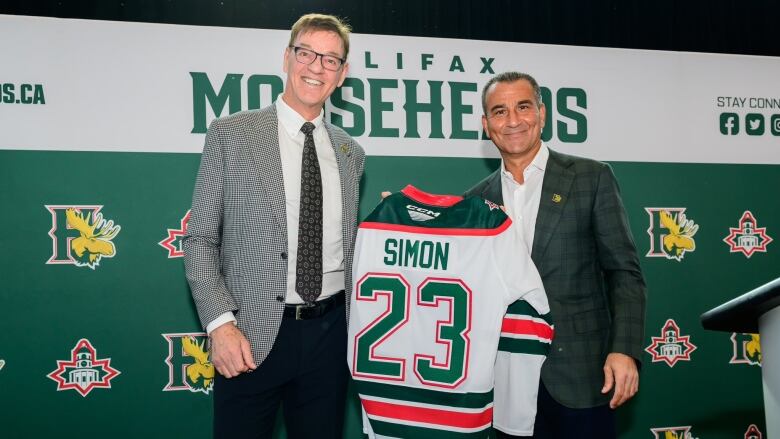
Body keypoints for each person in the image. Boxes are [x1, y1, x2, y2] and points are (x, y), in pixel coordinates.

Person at [182, 13, 364, 439]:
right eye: (306, 53)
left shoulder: (351, 151)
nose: (316, 67)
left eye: (331, 59)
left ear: (343, 74)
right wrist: (220, 325)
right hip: (250, 335)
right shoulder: (231, 134)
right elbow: (201, 239)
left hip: (331, 336)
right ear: (287, 57)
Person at [464, 71, 647, 439]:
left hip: (581, 374)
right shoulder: (473, 201)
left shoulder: (590, 177)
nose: (513, 120)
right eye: (499, 112)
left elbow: (624, 272)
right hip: (505, 383)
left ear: (542, 114)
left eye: (523, 107)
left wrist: (625, 351)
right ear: (486, 125)